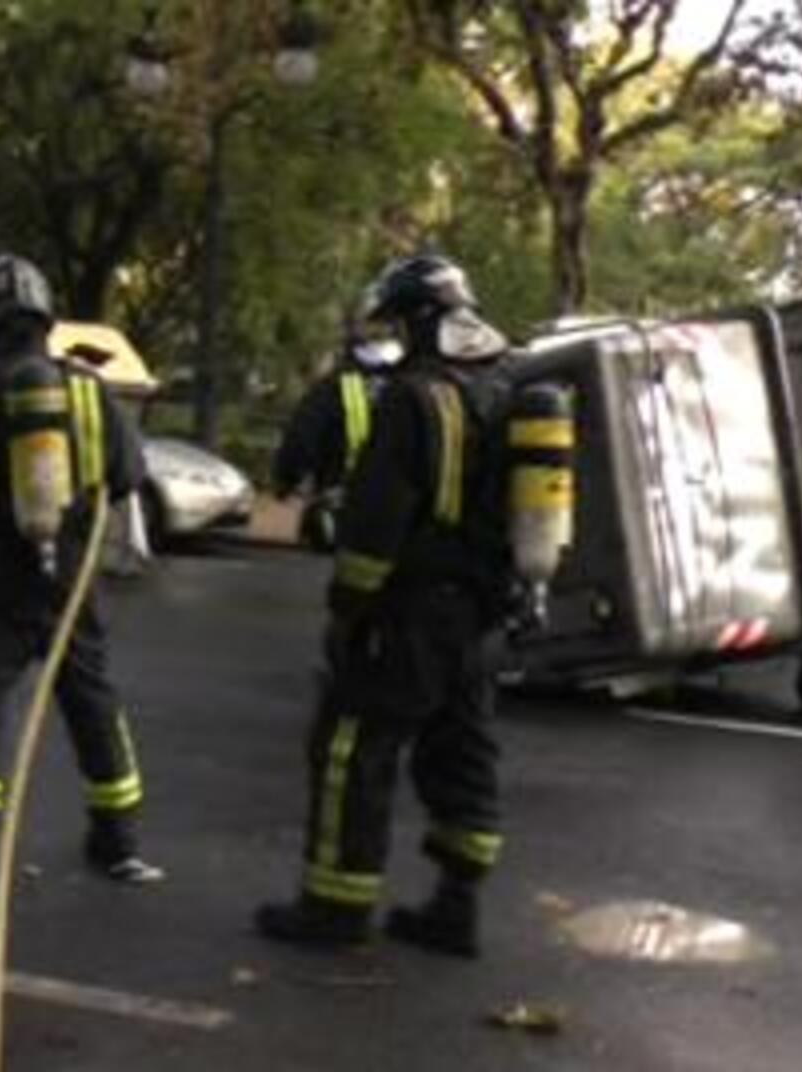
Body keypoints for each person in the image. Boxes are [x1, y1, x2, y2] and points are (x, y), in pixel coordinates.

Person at [255, 253, 516, 957]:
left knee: (352, 746)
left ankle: (335, 909)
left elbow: (377, 523)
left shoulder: (412, 398)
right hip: (482, 612)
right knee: (462, 749)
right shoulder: (499, 391)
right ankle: (457, 906)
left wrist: (350, 607)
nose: (395, 338)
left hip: (411, 612)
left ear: (421, 320)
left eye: (401, 324)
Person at [0, 252, 166, 896]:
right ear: (45, 318)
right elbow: (130, 475)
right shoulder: (88, 391)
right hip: (71, 576)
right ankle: (119, 842)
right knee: (91, 699)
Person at [271, 322, 401, 548]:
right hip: (402, 517)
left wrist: (287, 481)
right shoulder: (419, 384)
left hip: (342, 506)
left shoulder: (335, 385)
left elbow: (301, 437)